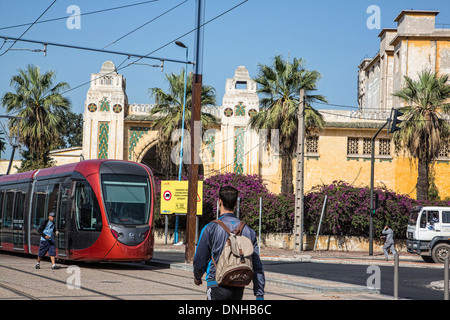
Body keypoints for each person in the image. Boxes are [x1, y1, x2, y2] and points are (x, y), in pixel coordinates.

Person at [193, 186, 265, 300]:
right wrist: (259, 294)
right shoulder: (248, 230)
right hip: (238, 285)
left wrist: (197, 276)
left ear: (219, 202)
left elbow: (200, 258)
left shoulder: (210, 228)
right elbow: (257, 265)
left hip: (216, 284)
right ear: (236, 204)